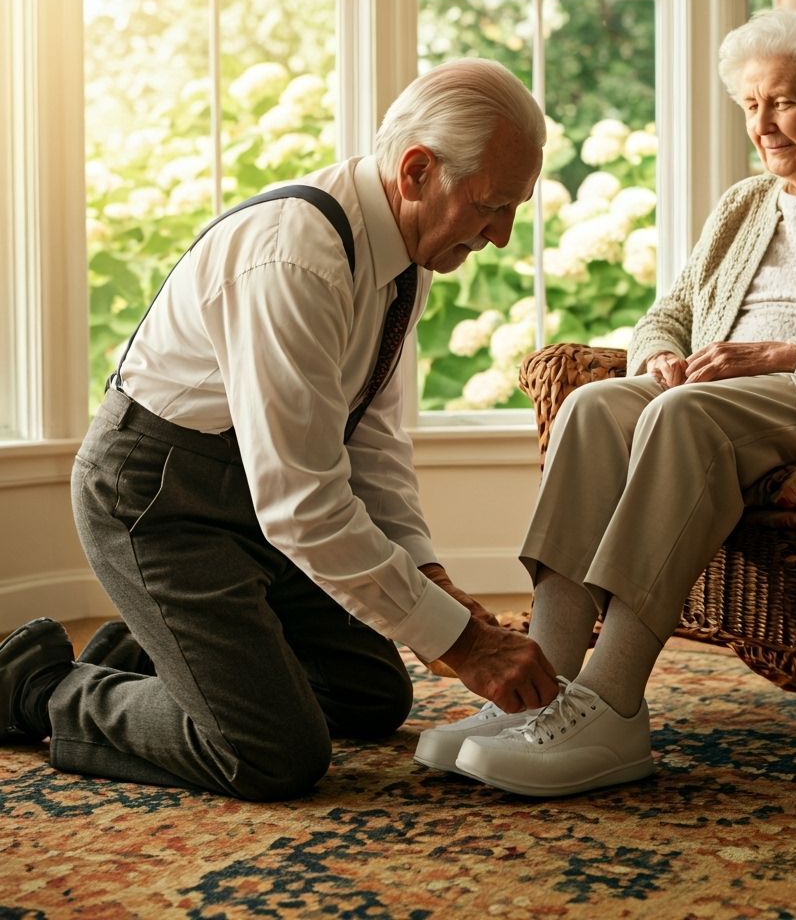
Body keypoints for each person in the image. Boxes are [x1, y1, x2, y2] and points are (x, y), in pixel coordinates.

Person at [414, 7, 796, 797]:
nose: (762, 125)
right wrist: (659, 356)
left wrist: (786, 352)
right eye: (750, 105)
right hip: (709, 389)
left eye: (781, 102)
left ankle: (610, 705)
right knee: (597, 406)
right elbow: (667, 312)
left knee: (681, 416)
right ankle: (538, 690)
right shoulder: (743, 205)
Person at [0, 58, 561, 799]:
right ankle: (36, 686)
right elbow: (303, 505)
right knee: (271, 753)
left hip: (259, 506)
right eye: (492, 206)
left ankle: (144, 652)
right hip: (159, 502)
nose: (501, 236)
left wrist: (432, 581)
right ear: (417, 169)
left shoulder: (408, 256)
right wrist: (467, 644)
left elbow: (372, 444)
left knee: (371, 697)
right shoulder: (297, 258)